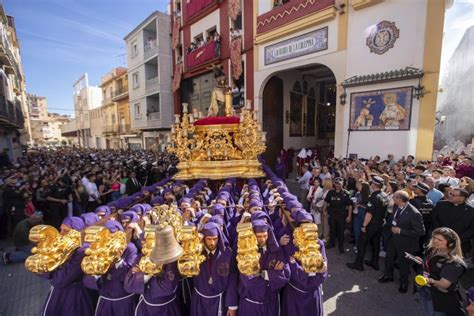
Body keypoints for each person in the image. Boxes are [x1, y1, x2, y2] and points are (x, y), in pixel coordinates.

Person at [38, 217, 95, 316]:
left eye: (65, 230)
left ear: (76, 232)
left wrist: (52, 271)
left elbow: (61, 280)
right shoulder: (62, 245)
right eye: (60, 229)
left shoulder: (82, 250)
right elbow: (42, 270)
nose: (61, 234)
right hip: (59, 292)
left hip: (74, 294)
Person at [83, 220, 138, 316]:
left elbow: (130, 276)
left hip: (123, 301)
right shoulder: (99, 250)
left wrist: (118, 260)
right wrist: (95, 272)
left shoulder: (130, 248)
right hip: (105, 299)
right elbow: (87, 281)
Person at [238, 219, 290, 315]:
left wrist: (263, 274)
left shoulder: (276, 251)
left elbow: (286, 274)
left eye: (265, 236)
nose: (262, 239)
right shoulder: (245, 253)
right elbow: (249, 281)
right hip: (251, 305)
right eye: (259, 236)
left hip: (270, 304)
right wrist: (272, 275)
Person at [280, 211, 328, 316]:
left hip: (313, 293)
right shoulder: (289, 242)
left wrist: (312, 279)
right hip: (294, 293)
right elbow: (291, 271)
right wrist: (310, 274)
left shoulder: (319, 243)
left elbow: (323, 272)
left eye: (310, 224)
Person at [379, 190, 425, 293]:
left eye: (394, 197)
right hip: (393, 239)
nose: (392, 198)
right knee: (389, 258)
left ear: (399, 199)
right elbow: (394, 218)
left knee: (404, 264)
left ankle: (404, 282)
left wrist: (401, 231)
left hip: (406, 243)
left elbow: (420, 231)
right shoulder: (396, 206)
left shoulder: (414, 213)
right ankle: (388, 275)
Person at [417, 228, 467, 316]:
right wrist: (421, 261)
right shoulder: (433, 249)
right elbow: (430, 265)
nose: (435, 241)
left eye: (440, 240)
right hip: (425, 290)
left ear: (450, 244)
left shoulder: (454, 263)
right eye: (434, 238)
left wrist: (430, 281)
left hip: (439, 299)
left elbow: (444, 284)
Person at [191, 222, 238, 316]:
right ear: (203, 238)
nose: (212, 242)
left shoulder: (227, 254)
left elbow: (231, 281)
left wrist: (232, 306)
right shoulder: (195, 254)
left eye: (215, 239)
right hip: (200, 299)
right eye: (208, 239)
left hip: (220, 300)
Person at [347, 176, 387, 271]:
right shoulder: (384, 195)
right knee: (376, 243)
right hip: (380, 223)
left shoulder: (374, 197)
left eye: (372, 183)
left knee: (362, 242)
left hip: (372, 224)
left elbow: (369, 213)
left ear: (374, 184)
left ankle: (358, 264)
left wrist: (364, 225)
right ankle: (374, 262)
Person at [432, 188, 474, 255]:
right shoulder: (441, 205)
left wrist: (455, 238)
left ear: (462, 198)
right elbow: (434, 220)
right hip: (439, 241)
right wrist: (441, 234)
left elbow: (472, 229)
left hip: (459, 244)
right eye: (450, 193)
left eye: (453, 195)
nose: (450, 196)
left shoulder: (471, 211)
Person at [323, 177, 353, 253]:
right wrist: (324, 209)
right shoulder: (331, 192)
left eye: (339, 184)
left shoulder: (346, 194)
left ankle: (341, 246)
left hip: (341, 216)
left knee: (341, 231)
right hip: (332, 214)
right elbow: (326, 201)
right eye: (336, 183)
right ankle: (332, 243)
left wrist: (349, 216)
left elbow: (350, 205)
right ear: (334, 184)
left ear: (342, 184)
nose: (338, 185)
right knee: (332, 230)